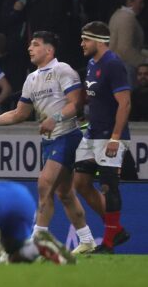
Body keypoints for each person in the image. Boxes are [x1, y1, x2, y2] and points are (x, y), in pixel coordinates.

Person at [0, 30, 97, 255]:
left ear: (49, 49)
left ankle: (35, 242)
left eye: (35, 44)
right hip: (49, 141)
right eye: (30, 45)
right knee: (65, 193)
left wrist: (54, 118)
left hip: (67, 135)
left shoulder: (62, 70)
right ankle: (87, 240)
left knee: (44, 183)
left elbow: (76, 103)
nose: (30, 48)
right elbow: (19, 113)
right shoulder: (32, 78)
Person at [75, 21, 132, 254]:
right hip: (91, 134)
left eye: (85, 40)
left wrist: (115, 137)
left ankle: (108, 242)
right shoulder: (91, 63)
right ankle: (115, 228)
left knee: (109, 187)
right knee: (79, 182)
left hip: (109, 136)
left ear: (98, 41)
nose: (81, 44)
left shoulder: (113, 64)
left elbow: (125, 102)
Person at [109, 0, 146, 86]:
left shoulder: (118, 15)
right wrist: (144, 62)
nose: (142, 5)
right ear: (130, 1)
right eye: (140, 2)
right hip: (125, 70)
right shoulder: (126, 18)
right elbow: (125, 50)